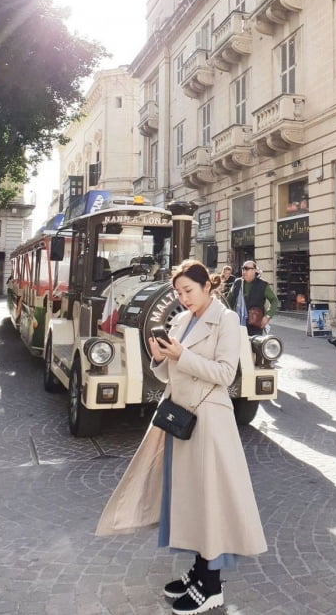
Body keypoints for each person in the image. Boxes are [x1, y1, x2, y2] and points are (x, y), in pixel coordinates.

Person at [96, 260, 267, 615]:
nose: (183, 297)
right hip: (181, 418)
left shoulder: (227, 320)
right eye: (179, 292)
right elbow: (171, 371)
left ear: (208, 286)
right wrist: (161, 358)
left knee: (210, 501)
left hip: (210, 421)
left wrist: (182, 355)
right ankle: (198, 571)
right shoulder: (182, 319)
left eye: (188, 290)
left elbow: (225, 374)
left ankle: (212, 585)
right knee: (189, 500)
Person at [226, 260, 279, 336]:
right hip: (236, 324)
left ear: (254, 270)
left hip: (254, 326)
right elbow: (228, 301)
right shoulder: (237, 283)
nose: (244, 271)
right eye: (243, 268)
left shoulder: (262, 285)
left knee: (253, 347)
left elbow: (274, 300)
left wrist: (268, 316)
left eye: (247, 269)